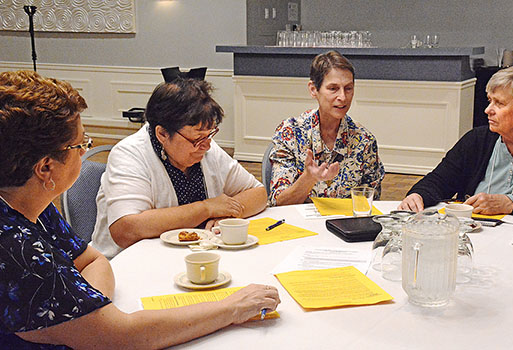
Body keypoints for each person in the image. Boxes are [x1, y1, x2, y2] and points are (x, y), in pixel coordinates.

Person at [0, 71, 280, 349]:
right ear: (46, 168)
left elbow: (91, 261)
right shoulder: (16, 246)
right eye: (81, 144)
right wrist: (232, 308)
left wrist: (87, 309)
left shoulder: (34, 206)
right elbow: (120, 336)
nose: (86, 151)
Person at [92, 78, 267, 259]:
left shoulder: (205, 146)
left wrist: (227, 216)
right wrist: (206, 209)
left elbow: (258, 193)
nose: (206, 146)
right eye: (197, 139)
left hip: (193, 256)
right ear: (162, 134)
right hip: (131, 263)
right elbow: (126, 228)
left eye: (210, 135)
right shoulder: (129, 154)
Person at [399, 65, 513, 217]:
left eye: (499, 103)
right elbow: (439, 180)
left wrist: (510, 203)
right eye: (490, 101)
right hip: (478, 234)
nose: (488, 110)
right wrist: (418, 194)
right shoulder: (477, 139)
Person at [269, 51, 385, 206]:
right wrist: (308, 179)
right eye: (333, 89)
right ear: (313, 89)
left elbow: (371, 202)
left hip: (345, 226)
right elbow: (278, 203)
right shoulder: (290, 134)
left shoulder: (364, 140)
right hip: (299, 226)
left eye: (348, 88)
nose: (343, 97)